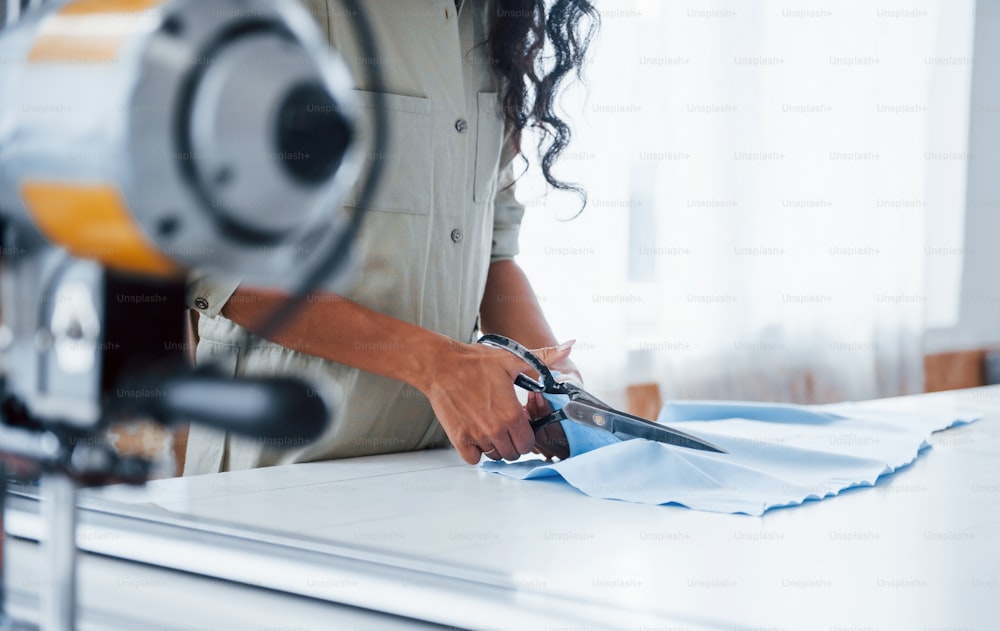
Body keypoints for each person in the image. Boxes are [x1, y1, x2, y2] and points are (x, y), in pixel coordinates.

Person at [183, 0, 599, 474]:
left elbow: (494, 253)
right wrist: (435, 365)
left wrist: (556, 385)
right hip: (278, 471)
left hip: (439, 470)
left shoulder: (494, 18)